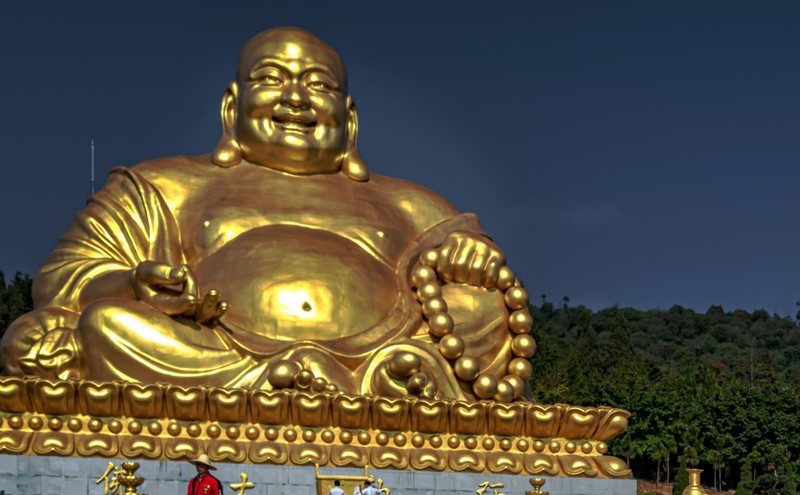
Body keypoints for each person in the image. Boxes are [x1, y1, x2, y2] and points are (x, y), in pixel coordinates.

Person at [2, 27, 522, 404]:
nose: (296, 98)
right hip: (211, 356)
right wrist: (134, 282)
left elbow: (480, 271)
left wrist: (466, 257)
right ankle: (340, 388)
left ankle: (370, 379)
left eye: (319, 85)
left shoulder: (411, 201)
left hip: (380, 351)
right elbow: (60, 281)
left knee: (485, 312)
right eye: (272, 79)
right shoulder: (162, 183)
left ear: (350, 119)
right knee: (103, 325)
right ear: (233, 107)